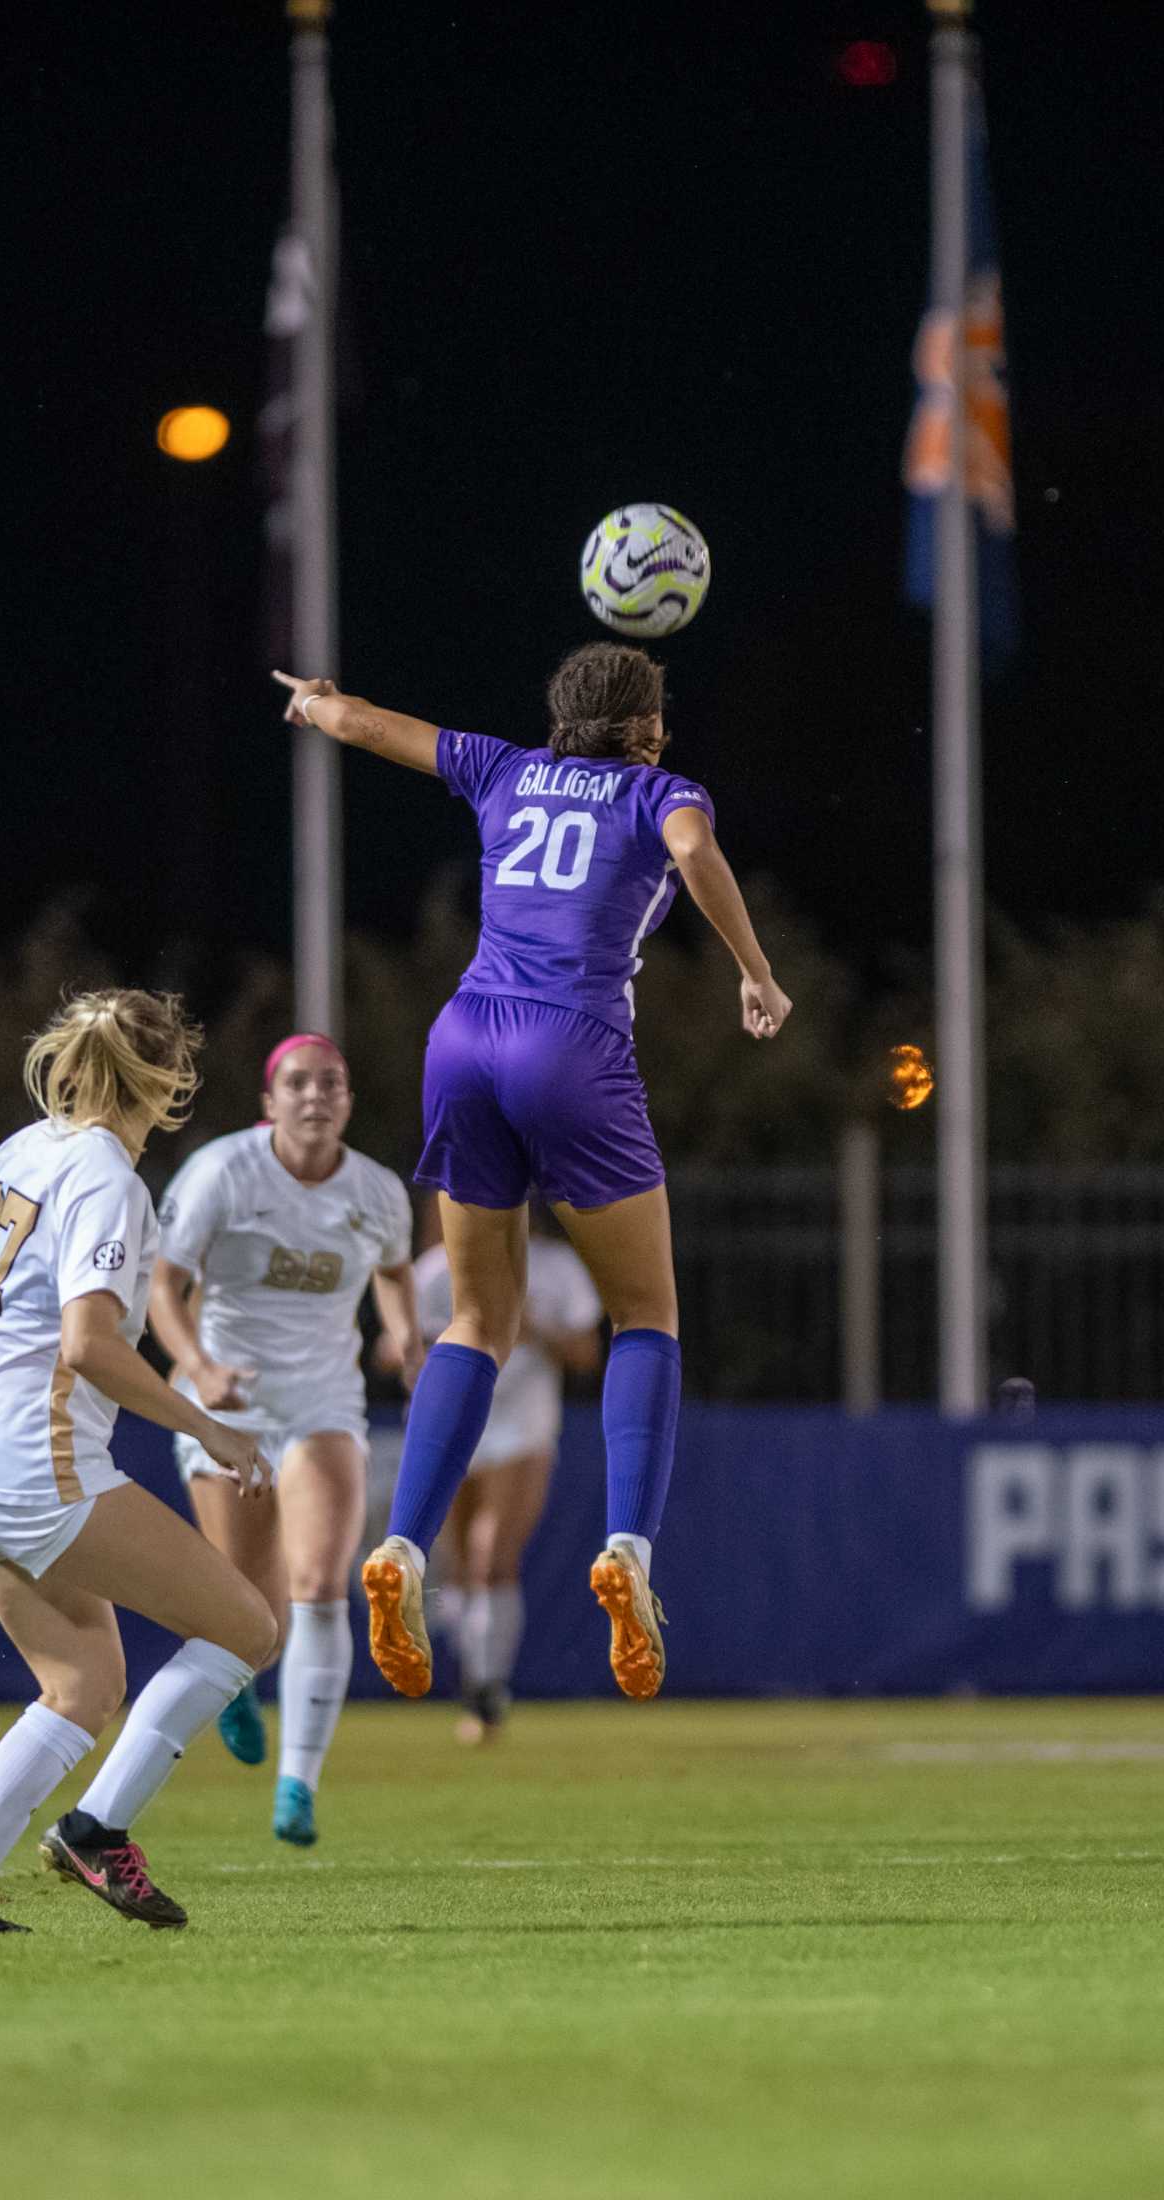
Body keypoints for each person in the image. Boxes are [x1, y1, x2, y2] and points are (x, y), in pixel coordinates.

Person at [272, 643, 791, 1705]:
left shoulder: (503, 768)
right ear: (645, 729)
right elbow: (693, 850)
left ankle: (407, 1547)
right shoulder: (660, 790)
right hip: (571, 1046)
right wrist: (755, 967)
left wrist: (320, 705)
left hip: (461, 1040)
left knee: (474, 1321)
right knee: (646, 1317)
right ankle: (629, 1553)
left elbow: (375, 725)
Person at [0, 990, 277, 1936]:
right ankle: (96, 1831)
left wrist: (11, 1326)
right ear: (172, 1078)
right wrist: (214, 1428)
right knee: (245, 1628)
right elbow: (88, 1349)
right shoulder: (108, 1176)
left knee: (81, 1686)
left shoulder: (28, 1146)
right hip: (36, 1461)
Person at [147, 1034, 423, 1848]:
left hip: (323, 1404)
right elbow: (164, 1284)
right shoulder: (222, 1173)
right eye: (297, 1083)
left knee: (318, 1584)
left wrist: (406, 1338)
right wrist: (197, 1366)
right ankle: (238, 1685)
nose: (315, 1096)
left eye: (330, 1083)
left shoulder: (374, 1191)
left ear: (347, 1100)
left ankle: (297, 1783)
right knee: (249, 1608)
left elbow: (397, 1268)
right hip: (223, 1407)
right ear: (269, 1102)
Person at [413, 1212, 603, 1742]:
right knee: (455, 1565)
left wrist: (535, 1326)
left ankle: (488, 1687)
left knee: (491, 1554)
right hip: (456, 1423)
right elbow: (401, 1350)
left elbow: (588, 1353)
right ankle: (474, 1674)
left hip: (523, 1426)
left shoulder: (556, 1268)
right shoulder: (437, 1270)